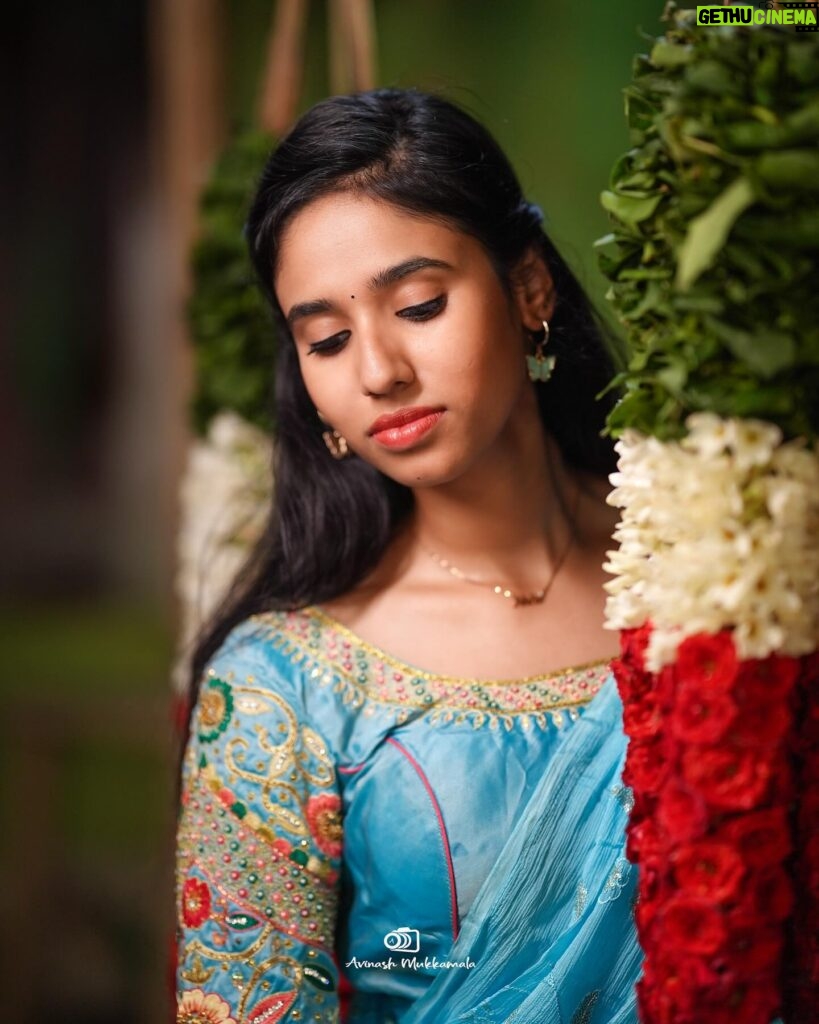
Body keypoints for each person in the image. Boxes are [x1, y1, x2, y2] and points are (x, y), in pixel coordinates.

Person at [175, 88, 642, 1024]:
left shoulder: (716, 567)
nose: (379, 370)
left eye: (419, 304)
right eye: (329, 340)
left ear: (530, 289)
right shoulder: (280, 692)